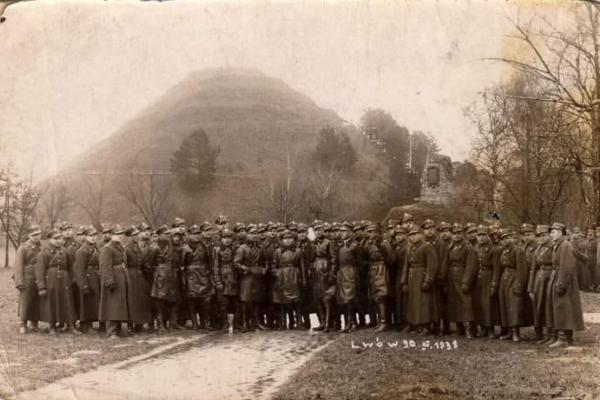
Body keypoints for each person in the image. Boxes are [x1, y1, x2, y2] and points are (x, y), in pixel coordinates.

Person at [547, 222, 585, 347]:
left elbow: (567, 266)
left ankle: (563, 338)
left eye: (553, 232)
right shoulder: (558, 245)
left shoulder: (565, 245)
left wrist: (561, 284)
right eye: (551, 232)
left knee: (562, 307)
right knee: (562, 307)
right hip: (559, 277)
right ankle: (566, 337)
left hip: (564, 279)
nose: (551, 235)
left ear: (560, 233)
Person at [36, 229, 80, 335]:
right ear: (49, 240)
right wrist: (41, 286)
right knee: (52, 302)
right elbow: (40, 270)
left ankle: (70, 325)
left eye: (59, 238)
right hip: (51, 279)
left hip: (64, 280)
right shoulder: (44, 253)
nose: (58, 241)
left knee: (67, 301)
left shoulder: (65, 251)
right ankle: (52, 326)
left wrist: (72, 279)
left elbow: (71, 266)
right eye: (55, 239)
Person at [401, 228, 438, 335]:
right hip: (411, 278)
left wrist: (428, 280)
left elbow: (432, 265)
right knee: (413, 302)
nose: (414, 237)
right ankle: (416, 325)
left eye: (416, 234)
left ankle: (426, 326)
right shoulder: (409, 247)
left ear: (420, 235)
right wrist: (404, 281)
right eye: (411, 235)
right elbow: (406, 266)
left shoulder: (427, 246)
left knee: (424, 302)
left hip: (422, 276)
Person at [495, 229, 528, 342]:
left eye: (507, 238)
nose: (505, 241)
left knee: (514, 305)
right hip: (504, 278)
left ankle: (515, 332)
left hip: (514, 277)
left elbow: (522, 270)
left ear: (512, 238)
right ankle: (509, 331)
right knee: (504, 305)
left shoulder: (518, 251)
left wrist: (518, 285)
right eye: (503, 239)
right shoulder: (503, 251)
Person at [445, 224, 477, 339]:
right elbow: (447, 263)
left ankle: (469, 328)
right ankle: (459, 328)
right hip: (452, 277)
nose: (457, 236)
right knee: (454, 302)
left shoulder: (468, 247)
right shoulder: (451, 247)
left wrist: (466, 281)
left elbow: (471, 265)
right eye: (455, 233)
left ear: (463, 234)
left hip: (462, 276)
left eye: (459, 233)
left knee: (466, 302)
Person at [149, 225, 182, 333]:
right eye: (165, 234)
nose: (168, 236)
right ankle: (160, 325)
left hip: (171, 275)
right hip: (160, 276)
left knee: (173, 299)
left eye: (168, 234)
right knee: (159, 301)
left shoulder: (171, 246)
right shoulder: (155, 247)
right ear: (159, 235)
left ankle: (172, 323)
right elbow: (148, 263)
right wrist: (155, 272)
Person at [235, 224, 267, 332]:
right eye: (252, 233)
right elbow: (236, 263)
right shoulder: (242, 248)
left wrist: (264, 269)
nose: (254, 235)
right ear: (247, 235)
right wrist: (245, 269)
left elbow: (264, 261)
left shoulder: (260, 247)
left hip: (258, 277)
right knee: (245, 300)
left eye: (256, 233)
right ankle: (244, 323)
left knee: (256, 300)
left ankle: (256, 322)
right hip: (247, 277)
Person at [183, 223, 216, 331]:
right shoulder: (185, 246)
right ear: (189, 235)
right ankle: (194, 323)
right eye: (194, 233)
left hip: (203, 275)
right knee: (191, 300)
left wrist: (210, 273)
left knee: (206, 300)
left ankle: (204, 322)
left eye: (198, 233)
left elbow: (210, 261)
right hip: (190, 276)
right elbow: (179, 263)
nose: (197, 235)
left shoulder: (205, 245)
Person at [99, 225, 130, 339]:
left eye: (121, 234)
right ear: (112, 235)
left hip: (121, 278)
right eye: (117, 234)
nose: (120, 236)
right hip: (114, 279)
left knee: (119, 305)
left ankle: (118, 329)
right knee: (112, 305)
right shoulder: (108, 248)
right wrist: (109, 281)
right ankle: (111, 331)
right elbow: (105, 266)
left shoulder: (120, 247)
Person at [271, 230, 305, 330]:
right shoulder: (278, 251)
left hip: (294, 276)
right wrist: (276, 272)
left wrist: (303, 279)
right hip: (282, 277)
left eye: (290, 238)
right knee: (283, 301)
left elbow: (302, 265)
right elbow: (274, 264)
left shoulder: (298, 251)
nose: (288, 241)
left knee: (297, 301)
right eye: (285, 239)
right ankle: (283, 323)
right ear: (282, 240)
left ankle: (299, 322)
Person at [528, 225, 555, 344]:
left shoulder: (553, 247)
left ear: (549, 235)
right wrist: (531, 286)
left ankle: (551, 334)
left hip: (550, 277)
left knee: (549, 305)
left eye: (544, 235)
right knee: (539, 305)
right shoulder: (538, 249)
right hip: (539, 278)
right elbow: (533, 269)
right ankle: (541, 333)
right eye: (539, 236)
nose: (542, 238)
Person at [124, 226, 153, 334]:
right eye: (134, 235)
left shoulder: (139, 247)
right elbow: (125, 265)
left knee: (141, 301)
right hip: (131, 276)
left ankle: (139, 324)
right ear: (129, 237)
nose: (136, 237)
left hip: (140, 276)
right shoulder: (126, 249)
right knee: (132, 301)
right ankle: (131, 325)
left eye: (137, 234)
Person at [14, 225, 43, 334]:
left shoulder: (42, 246)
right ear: (28, 235)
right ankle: (23, 323)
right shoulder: (24, 247)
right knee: (26, 300)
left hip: (39, 277)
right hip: (28, 277)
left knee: (37, 300)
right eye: (34, 235)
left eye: (38, 234)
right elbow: (18, 265)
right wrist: (19, 281)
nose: (36, 237)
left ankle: (34, 323)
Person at [473, 226, 500, 338]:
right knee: (479, 304)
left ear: (488, 236)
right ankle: (482, 328)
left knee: (488, 304)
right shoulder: (475, 248)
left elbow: (496, 268)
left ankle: (490, 329)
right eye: (479, 235)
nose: (482, 238)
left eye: (484, 235)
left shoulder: (493, 249)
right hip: (477, 279)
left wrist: (494, 283)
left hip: (488, 277)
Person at [310, 221, 337, 332]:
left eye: (320, 229)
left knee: (327, 298)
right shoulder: (313, 243)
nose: (318, 232)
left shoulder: (329, 242)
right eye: (316, 230)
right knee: (318, 297)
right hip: (316, 271)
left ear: (323, 230)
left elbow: (334, 259)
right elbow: (311, 258)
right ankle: (322, 322)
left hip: (325, 269)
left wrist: (331, 274)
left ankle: (328, 323)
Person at [73, 227, 101, 334]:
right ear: (85, 237)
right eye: (90, 236)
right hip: (87, 278)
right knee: (86, 302)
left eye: (95, 236)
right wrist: (83, 284)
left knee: (95, 301)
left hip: (96, 277)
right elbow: (79, 269)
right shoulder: (81, 251)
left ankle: (97, 323)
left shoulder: (97, 248)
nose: (93, 238)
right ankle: (85, 325)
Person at [363, 223, 390, 332]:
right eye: (369, 232)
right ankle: (380, 321)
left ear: (377, 233)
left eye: (372, 232)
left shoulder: (383, 244)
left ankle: (384, 322)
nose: (370, 234)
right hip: (373, 270)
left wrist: (383, 266)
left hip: (381, 269)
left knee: (381, 295)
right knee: (375, 296)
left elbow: (391, 259)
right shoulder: (368, 244)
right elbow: (365, 257)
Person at [213, 228, 239, 333]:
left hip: (233, 278)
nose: (227, 240)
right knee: (223, 303)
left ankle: (235, 324)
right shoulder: (217, 250)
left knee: (234, 302)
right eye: (225, 237)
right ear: (221, 239)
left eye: (229, 237)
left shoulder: (235, 249)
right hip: (223, 278)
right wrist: (218, 281)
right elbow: (215, 267)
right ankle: (223, 324)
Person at [335, 222, 360, 333]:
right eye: (341, 231)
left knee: (350, 298)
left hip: (351, 272)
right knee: (343, 299)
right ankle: (347, 323)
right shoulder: (339, 245)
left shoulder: (355, 245)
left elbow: (359, 261)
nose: (342, 233)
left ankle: (354, 322)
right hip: (341, 273)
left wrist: (355, 273)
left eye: (344, 231)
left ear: (350, 232)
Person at [296, 223, 315, 330]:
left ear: (307, 233)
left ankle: (321, 320)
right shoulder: (297, 245)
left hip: (310, 274)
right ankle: (306, 322)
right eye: (299, 233)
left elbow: (313, 258)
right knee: (302, 299)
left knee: (313, 298)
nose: (301, 235)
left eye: (303, 232)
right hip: (300, 274)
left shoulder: (311, 245)